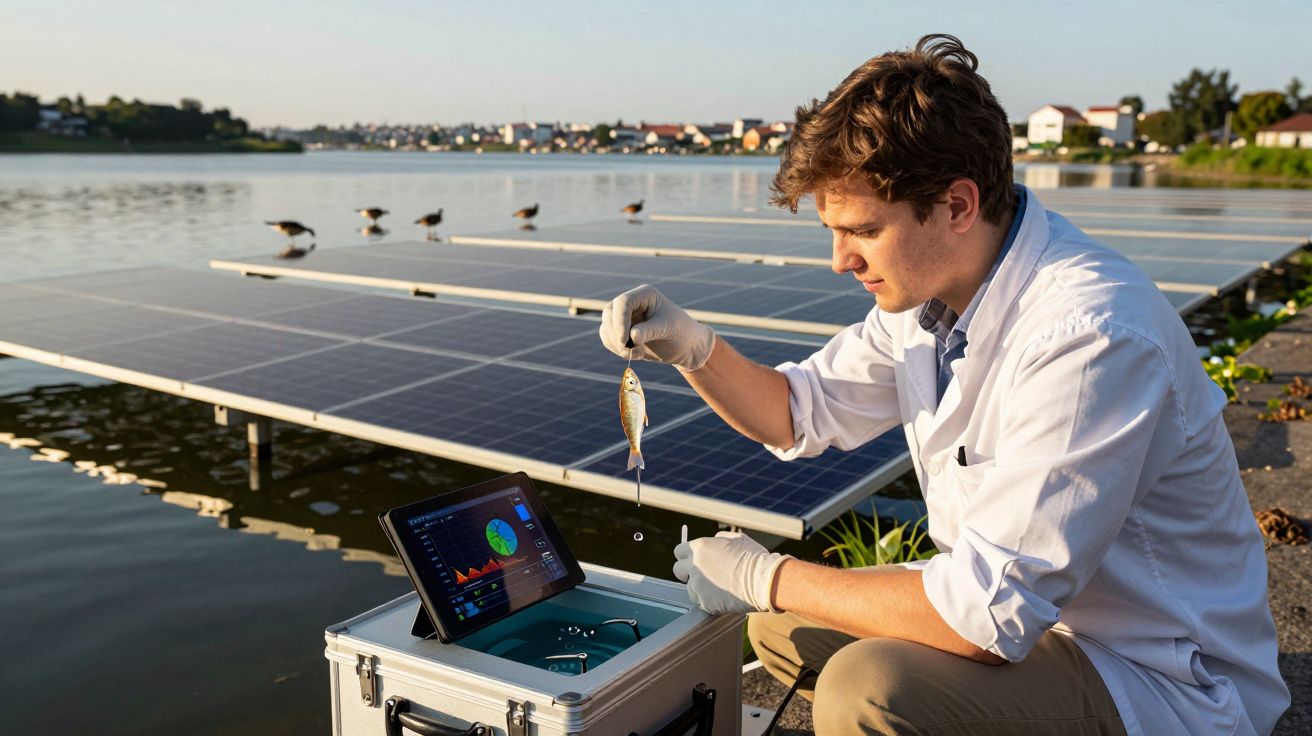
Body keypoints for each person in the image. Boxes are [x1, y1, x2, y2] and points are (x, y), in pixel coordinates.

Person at [597, 34, 1288, 736]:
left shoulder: (1091, 335)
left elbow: (984, 616)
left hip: (1154, 675)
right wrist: (693, 349)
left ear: (958, 205)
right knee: (784, 630)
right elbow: (796, 412)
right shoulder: (930, 301)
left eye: (862, 229)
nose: (839, 260)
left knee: (866, 688)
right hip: (1033, 620)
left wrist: (762, 575)